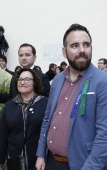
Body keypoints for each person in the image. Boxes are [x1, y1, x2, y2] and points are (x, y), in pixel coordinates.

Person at [36, 23, 107, 170]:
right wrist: (41, 154)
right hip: (51, 161)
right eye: (75, 45)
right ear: (64, 51)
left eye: (86, 45)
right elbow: (47, 118)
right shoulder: (57, 80)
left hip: (81, 164)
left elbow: (104, 135)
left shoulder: (102, 81)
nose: (82, 50)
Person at [0, 68, 48, 170]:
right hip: (15, 160)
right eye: (19, 79)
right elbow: (3, 135)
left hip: (38, 160)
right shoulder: (10, 105)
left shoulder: (45, 103)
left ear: (34, 83)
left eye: (27, 79)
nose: (22, 82)